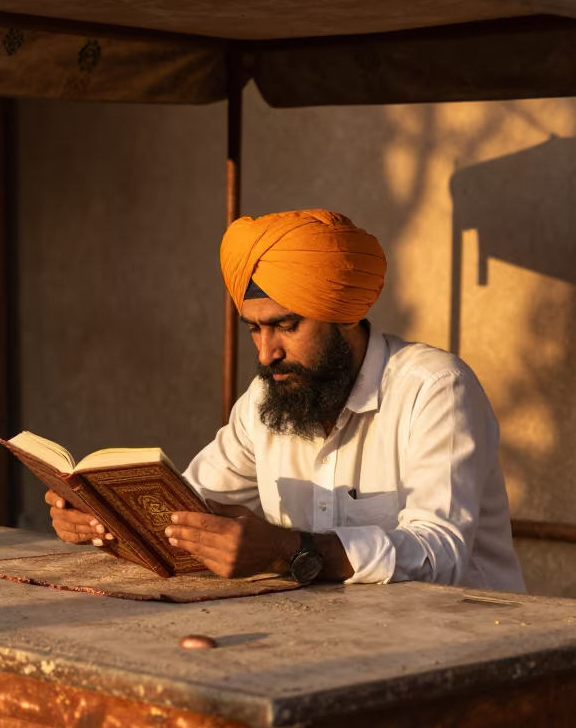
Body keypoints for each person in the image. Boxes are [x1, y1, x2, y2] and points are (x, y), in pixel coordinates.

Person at [46, 209, 524, 591]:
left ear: (344, 315)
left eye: (287, 326)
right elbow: (189, 503)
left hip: (466, 653)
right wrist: (107, 517)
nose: (266, 352)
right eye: (255, 328)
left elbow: (439, 554)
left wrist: (287, 550)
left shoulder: (435, 388)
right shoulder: (266, 398)